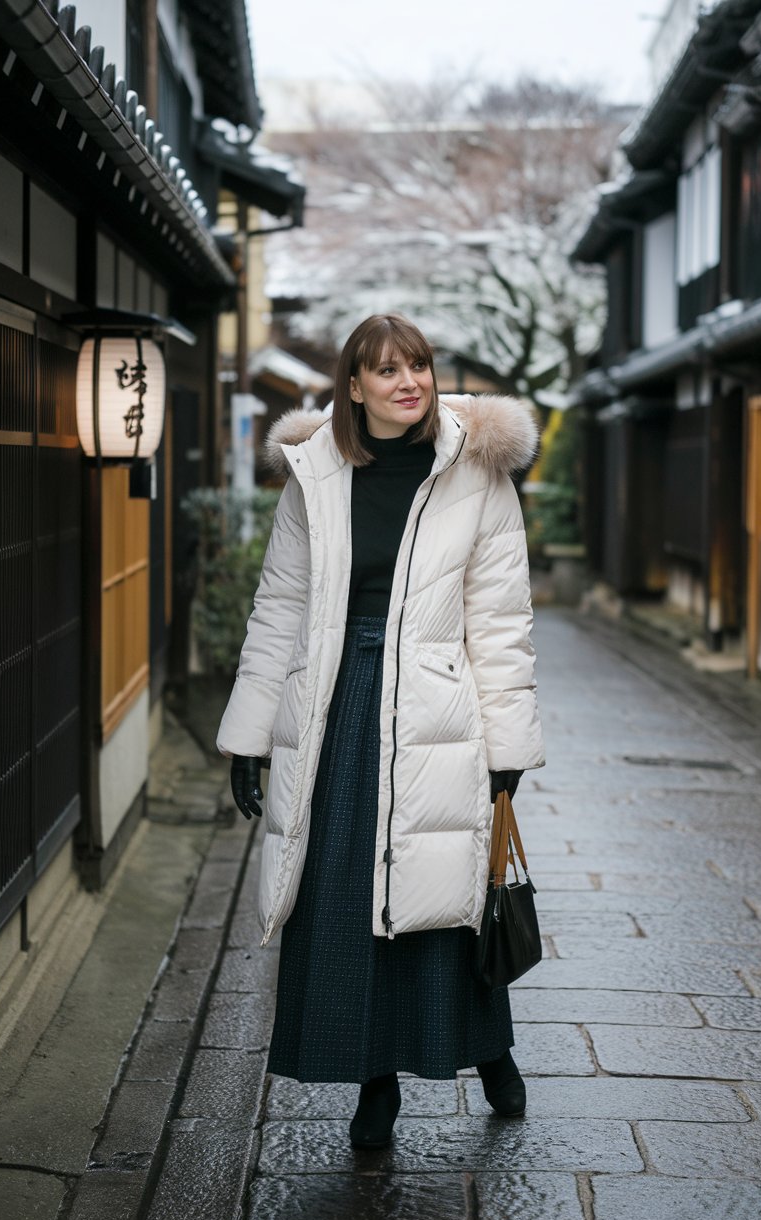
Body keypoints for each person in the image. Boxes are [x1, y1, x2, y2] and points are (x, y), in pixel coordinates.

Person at [217, 313, 545, 1149]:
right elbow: (281, 607)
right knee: (343, 898)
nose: (410, 382)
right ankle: (375, 1084)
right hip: (334, 705)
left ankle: (488, 1048)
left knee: (441, 896)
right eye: (388, 370)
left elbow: (501, 621)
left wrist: (507, 755)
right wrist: (250, 733)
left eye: (421, 366)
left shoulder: (477, 471)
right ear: (353, 386)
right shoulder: (313, 472)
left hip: (436, 707)